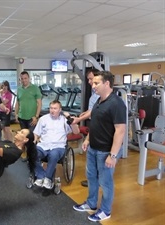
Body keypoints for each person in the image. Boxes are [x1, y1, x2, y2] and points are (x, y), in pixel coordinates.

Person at [73, 71, 127, 222]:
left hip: (106, 151)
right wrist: (87, 140)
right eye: (93, 82)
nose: (93, 85)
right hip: (93, 148)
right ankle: (91, 204)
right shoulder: (98, 101)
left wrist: (113, 155)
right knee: (91, 177)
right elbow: (95, 123)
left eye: (96, 83)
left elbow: (120, 131)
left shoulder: (116, 104)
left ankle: (105, 210)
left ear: (107, 84)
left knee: (106, 182)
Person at [33, 100, 80, 189]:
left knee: (53, 155)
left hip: (58, 146)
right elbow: (36, 132)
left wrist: (69, 118)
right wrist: (35, 140)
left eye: (55, 108)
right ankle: (41, 176)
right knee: (33, 153)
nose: (52, 110)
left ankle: (47, 179)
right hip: (43, 145)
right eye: (51, 108)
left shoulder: (65, 120)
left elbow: (76, 131)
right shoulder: (43, 119)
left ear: (60, 110)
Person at [72, 68, 100, 187]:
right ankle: (92, 180)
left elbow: (95, 111)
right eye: (88, 79)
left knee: (96, 156)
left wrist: (78, 119)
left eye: (91, 79)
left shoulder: (102, 96)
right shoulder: (94, 94)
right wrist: (84, 114)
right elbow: (92, 110)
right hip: (93, 124)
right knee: (91, 154)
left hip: (99, 128)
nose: (89, 82)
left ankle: (95, 180)